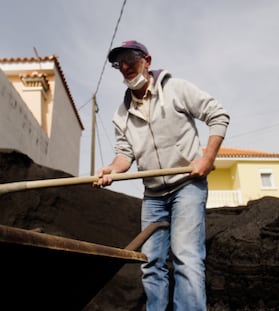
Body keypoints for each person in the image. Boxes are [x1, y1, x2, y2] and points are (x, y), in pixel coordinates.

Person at [94, 40, 230, 311]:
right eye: (119, 64)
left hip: (187, 186)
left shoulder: (176, 89)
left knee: (185, 256)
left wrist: (207, 158)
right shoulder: (122, 114)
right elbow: (124, 155)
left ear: (147, 60)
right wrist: (112, 168)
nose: (125, 67)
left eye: (130, 59)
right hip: (153, 195)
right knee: (150, 262)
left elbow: (218, 115)